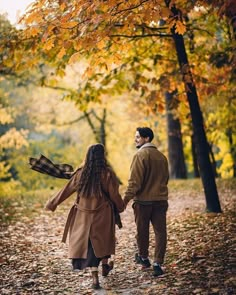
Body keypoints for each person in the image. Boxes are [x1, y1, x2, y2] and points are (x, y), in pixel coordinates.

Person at [45, 144, 125, 289]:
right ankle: (105, 265)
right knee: (104, 239)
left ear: (88, 156)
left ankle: (95, 275)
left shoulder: (81, 173)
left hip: (83, 215)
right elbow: (114, 195)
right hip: (103, 214)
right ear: (103, 156)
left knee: (89, 244)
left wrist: (52, 203)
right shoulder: (107, 173)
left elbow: (66, 190)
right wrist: (120, 206)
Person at [123, 127, 169, 277]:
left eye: (138, 137)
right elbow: (165, 179)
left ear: (147, 138)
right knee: (160, 232)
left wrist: (124, 201)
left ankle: (143, 258)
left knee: (142, 232)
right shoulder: (162, 157)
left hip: (143, 202)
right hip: (160, 200)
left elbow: (134, 183)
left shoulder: (140, 155)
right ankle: (158, 262)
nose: (135, 139)